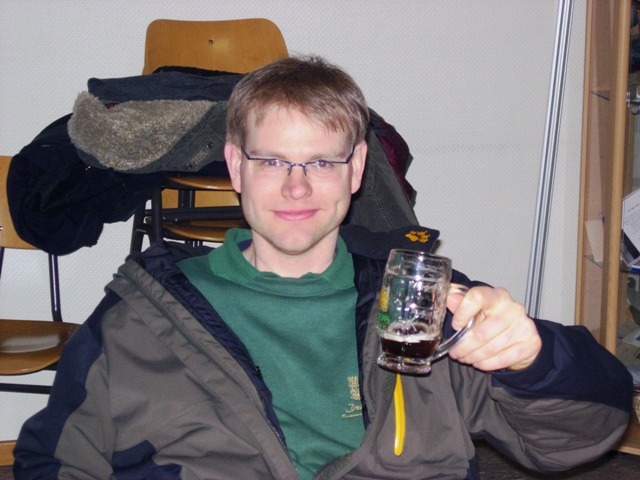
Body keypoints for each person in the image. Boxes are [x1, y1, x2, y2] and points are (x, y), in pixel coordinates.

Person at [13, 55, 632, 480]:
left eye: (321, 163)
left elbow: (586, 432)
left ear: (356, 169)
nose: (297, 187)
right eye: (272, 161)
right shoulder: (141, 315)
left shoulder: (423, 306)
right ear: (235, 167)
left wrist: (533, 356)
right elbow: (54, 461)